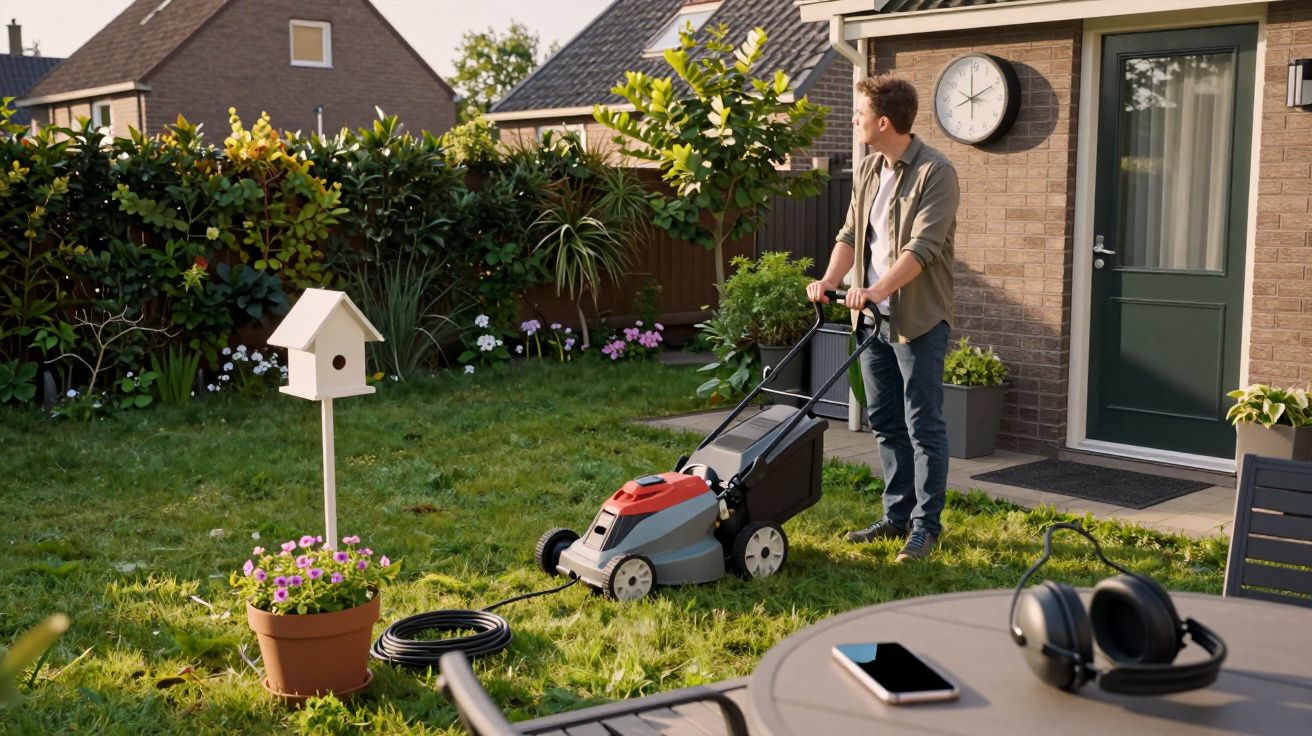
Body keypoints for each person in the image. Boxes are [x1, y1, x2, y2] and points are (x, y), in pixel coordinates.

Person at [805, 73, 959, 562]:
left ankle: (925, 527)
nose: (854, 120)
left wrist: (874, 290)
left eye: (860, 114)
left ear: (884, 121)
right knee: (887, 421)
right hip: (870, 322)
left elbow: (922, 250)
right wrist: (832, 280)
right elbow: (850, 234)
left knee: (923, 425)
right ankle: (897, 516)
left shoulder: (937, 173)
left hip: (917, 321)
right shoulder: (870, 168)